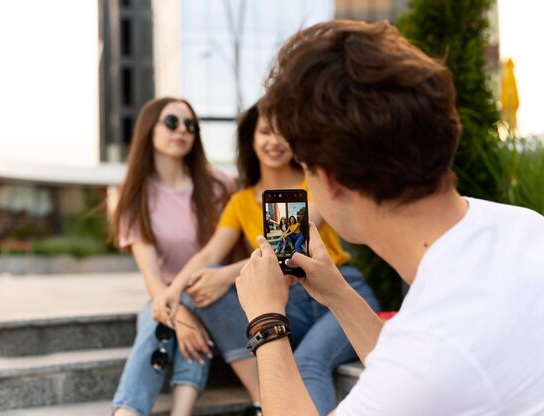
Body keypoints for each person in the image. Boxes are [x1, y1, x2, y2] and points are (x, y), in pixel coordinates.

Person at [233, 20, 544, 416]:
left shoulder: (443, 339)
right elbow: (408, 371)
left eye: (305, 170)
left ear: (330, 179)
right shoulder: (528, 229)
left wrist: (266, 320)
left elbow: (428, 365)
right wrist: (336, 292)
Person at [151, 101, 380, 416]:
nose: (275, 141)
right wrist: (172, 290)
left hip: (338, 292)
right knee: (206, 280)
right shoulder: (241, 200)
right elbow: (208, 253)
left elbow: (290, 241)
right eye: (265, 132)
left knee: (308, 362)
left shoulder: (314, 184)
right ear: (251, 139)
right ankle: (261, 397)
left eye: (284, 133)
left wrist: (230, 273)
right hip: (290, 300)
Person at [109, 97, 261, 416]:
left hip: (223, 292)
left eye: (190, 125)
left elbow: (226, 253)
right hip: (169, 295)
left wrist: (182, 306)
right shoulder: (134, 196)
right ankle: (136, 411)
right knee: (157, 320)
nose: (182, 130)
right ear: (149, 129)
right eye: (171, 122)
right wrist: (181, 315)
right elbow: (153, 278)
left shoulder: (219, 184)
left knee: (183, 303)